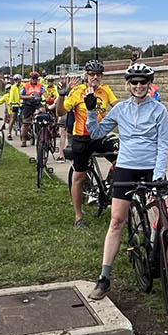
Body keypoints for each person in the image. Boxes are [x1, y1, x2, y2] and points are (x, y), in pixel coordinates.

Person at [84, 62, 168, 300]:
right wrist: (91, 112)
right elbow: (97, 133)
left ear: (149, 84)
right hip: (125, 169)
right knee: (117, 221)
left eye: (143, 82)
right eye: (135, 82)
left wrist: (159, 174)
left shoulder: (159, 110)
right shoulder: (120, 109)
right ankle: (104, 278)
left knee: (165, 220)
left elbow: (164, 144)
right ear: (129, 85)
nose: (139, 86)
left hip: (151, 168)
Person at [56, 60, 118, 229]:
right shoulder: (78, 91)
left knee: (121, 160)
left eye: (98, 74)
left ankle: (109, 188)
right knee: (80, 177)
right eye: (92, 74)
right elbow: (60, 112)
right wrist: (62, 95)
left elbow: (117, 107)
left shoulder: (105, 91)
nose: (95, 77)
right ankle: (78, 217)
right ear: (86, 76)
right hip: (82, 138)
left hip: (100, 136)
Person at [19, 71, 46, 147]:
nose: (34, 80)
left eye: (36, 78)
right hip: (28, 104)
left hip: (37, 103)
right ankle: (24, 140)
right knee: (26, 123)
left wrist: (47, 98)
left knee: (43, 111)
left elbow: (44, 93)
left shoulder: (40, 85)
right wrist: (29, 97)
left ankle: (43, 132)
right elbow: (20, 96)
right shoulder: (26, 86)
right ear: (30, 78)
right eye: (33, 78)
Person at [0, 74, 23, 140]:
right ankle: (9, 133)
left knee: (24, 117)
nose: (17, 81)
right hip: (15, 104)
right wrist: (11, 102)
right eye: (15, 80)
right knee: (13, 117)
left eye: (18, 79)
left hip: (22, 103)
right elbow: (11, 96)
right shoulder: (13, 87)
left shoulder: (23, 86)